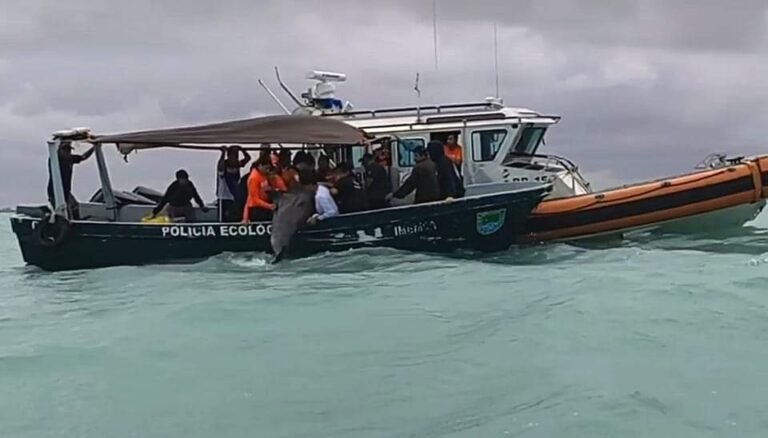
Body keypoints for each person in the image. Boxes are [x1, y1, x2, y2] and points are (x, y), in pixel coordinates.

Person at [46, 141, 95, 219]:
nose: (68, 152)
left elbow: (83, 157)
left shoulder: (70, 158)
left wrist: (93, 148)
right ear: (60, 150)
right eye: (65, 150)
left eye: (69, 150)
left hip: (66, 192)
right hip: (55, 192)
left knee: (75, 206)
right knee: (64, 210)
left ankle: (77, 223)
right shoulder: (55, 159)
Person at [242, 157, 283, 223]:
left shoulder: (264, 176)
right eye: (266, 168)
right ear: (260, 166)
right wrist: (269, 206)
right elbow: (254, 199)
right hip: (256, 209)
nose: (267, 171)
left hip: (265, 207)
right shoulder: (253, 178)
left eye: (269, 169)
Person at [217, 145, 251, 221]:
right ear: (228, 156)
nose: (235, 158)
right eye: (233, 156)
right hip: (224, 196)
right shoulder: (224, 165)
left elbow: (248, 158)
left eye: (236, 156)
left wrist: (242, 150)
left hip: (234, 196)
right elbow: (220, 166)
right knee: (223, 218)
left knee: (234, 216)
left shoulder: (237, 164)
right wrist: (223, 153)